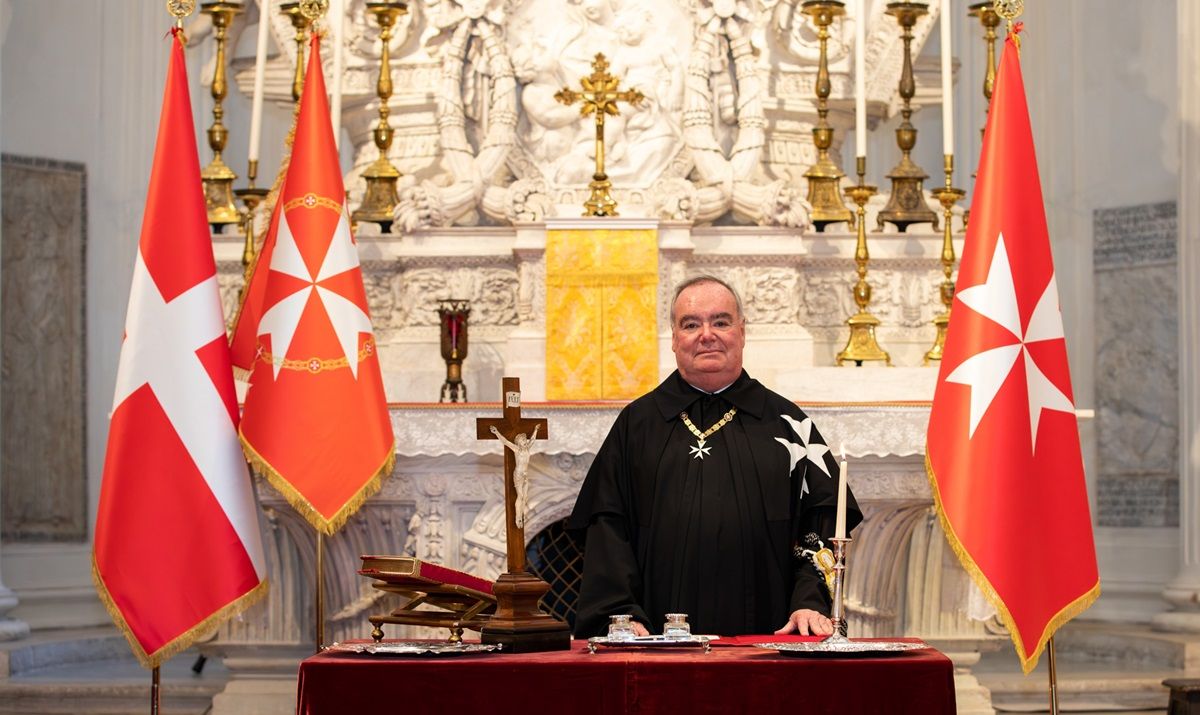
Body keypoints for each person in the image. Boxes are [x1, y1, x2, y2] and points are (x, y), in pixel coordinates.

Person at [568, 275, 862, 638]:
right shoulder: (637, 425)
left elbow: (822, 525)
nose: (707, 334)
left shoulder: (789, 424)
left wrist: (809, 600)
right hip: (656, 640)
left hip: (769, 637)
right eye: (691, 324)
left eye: (720, 321)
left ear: (742, 331)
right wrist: (619, 614)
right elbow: (607, 529)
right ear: (675, 339)